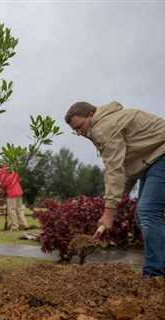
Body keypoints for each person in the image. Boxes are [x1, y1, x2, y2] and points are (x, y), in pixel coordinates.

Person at [65, 101, 165, 278]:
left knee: (148, 212)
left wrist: (109, 212)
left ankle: (155, 273)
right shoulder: (107, 122)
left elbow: (114, 169)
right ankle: (158, 265)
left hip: (161, 155)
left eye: (80, 127)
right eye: (76, 131)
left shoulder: (104, 128)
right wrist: (115, 202)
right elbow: (126, 168)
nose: (80, 133)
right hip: (153, 159)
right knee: (143, 216)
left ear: (91, 114)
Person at [0, 165, 28, 231]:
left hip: (12, 194)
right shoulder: (15, 173)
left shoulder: (3, 174)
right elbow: (19, 179)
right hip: (19, 193)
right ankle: (23, 224)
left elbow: (4, 184)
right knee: (19, 209)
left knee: (12, 210)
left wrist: (3, 190)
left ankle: (15, 226)